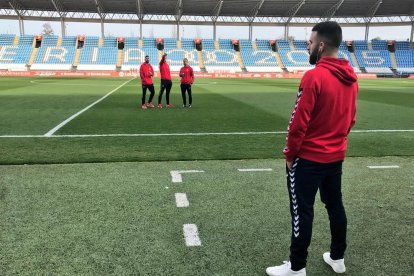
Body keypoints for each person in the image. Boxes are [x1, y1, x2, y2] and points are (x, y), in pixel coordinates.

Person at [266, 21, 358, 276]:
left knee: (301, 212)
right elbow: (351, 119)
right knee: (335, 206)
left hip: (307, 159)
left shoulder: (314, 76)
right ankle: (337, 258)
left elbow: (298, 123)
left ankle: (296, 268)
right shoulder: (351, 78)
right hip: (335, 157)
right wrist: (336, 144)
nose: (307, 45)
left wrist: (289, 154)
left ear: (321, 44)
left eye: (309, 41)